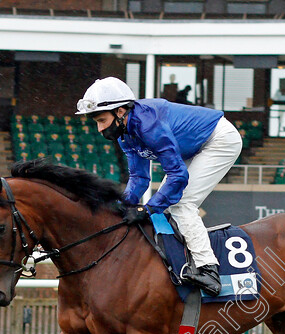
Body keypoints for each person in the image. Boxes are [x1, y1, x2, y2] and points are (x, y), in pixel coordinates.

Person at [77, 77, 243, 296]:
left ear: (119, 112)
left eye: (101, 120)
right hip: (193, 147)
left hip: (220, 139)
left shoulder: (148, 124)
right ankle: (179, 263)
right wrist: (120, 207)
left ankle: (208, 269)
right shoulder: (125, 135)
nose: (100, 129)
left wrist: (147, 208)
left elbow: (177, 175)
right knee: (166, 205)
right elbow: (139, 178)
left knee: (182, 204)